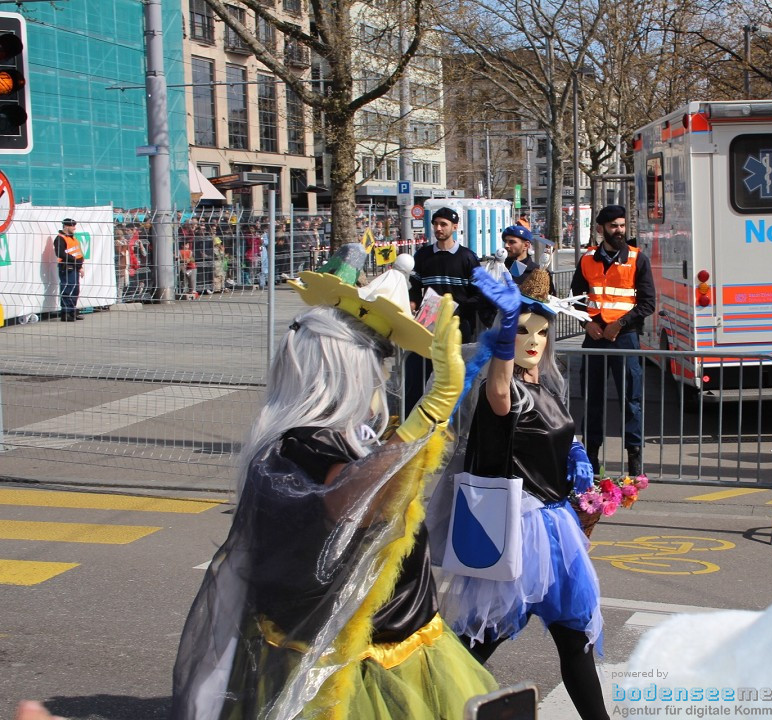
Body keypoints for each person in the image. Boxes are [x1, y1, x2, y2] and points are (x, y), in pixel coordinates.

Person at [169, 252, 496, 720]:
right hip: (353, 663)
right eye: (378, 359)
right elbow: (352, 502)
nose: (384, 374)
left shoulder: (345, 436)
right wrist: (428, 414)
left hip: (395, 637)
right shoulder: (305, 443)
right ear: (344, 369)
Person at [438, 267, 608, 720]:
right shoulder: (506, 389)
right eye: (523, 331)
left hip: (557, 529)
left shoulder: (545, 385)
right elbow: (497, 390)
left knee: (575, 641)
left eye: (542, 331)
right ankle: (427, 704)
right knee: (477, 643)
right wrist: (508, 322)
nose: (533, 340)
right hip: (518, 529)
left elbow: (555, 442)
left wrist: (584, 477)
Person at [570, 205, 655, 477]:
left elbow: (648, 302)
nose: (619, 230)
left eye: (621, 225)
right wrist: (588, 323)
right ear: (600, 229)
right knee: (592, 398)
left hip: (624, 337)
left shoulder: (636, 259)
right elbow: (577, 300)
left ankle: (634, 458)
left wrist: (620, 324)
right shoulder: (587, 260)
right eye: (613, 226)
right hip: (595, 337)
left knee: (631, 397)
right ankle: (591, 457)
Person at [405, 206, 482, 412]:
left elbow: (479, 294)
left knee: (453, 377)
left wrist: (458, 310)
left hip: (458, 328)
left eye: (443, 224)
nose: (438, 228)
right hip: (427, 325)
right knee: (418, 373)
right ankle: (412, 417)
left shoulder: (467, 257)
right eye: (436, 224)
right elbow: (414, 287)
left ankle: (454, 421)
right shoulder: (422, 256)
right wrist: (413, 304)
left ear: (454, 227)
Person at [53, 218, 84, 321]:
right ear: (66, 226)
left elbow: (79, 253)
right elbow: (60, 253)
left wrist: (80, 266)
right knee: (67, 289)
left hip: (74, 267)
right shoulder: (60, 238)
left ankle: (72, 311)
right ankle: (65, 313)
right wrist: (74, 260)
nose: (74, 228)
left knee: (75, 290)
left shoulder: (74, 239)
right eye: (72, 226)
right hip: (66, 267)